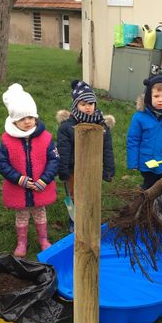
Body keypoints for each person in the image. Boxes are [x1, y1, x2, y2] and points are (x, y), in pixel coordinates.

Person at [0, 84, 59, 257]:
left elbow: (54, 159)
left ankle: (43, 239)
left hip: (40, 186)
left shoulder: (45, 138)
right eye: (22, 118)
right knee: (22, 215)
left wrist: (44, 180)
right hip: (19, 188)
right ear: (14, 120)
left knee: (40, 213)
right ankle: (22, 242)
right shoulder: (7, 140)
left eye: (31, 117)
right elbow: (2, 163)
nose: (28, 121)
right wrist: (18, 179)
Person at [56, 80, 115, 232]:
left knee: (91, 196)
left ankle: (90, 220)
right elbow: (63, 150)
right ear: (75, 105)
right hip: (73, 170)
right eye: (83, 104)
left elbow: (107, 149)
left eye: (91, 103)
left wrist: (108, 169)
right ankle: (74, 223)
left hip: (92, 168)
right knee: (75, 197)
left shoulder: (101, 126)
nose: (88, 107)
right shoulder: (67, 127)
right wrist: (63, 170)